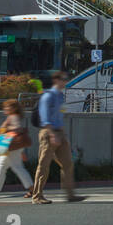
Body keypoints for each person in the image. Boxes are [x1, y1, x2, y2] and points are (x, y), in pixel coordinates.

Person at [30, 70, 85, 204]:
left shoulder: (60, 96)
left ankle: (70, 194)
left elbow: (60, 114)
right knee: (44, 165)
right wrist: (52, 134)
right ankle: (37, 196)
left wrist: (62, 134)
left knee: (67, 163)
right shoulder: (48, 96)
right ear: (56, 80)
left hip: (60, 132)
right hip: (48, 133)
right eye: (63, 79)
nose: (66, 82)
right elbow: (45, 117)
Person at [0, 99, 32, 199]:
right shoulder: (12, 117)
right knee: (2, 167)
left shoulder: (13, 117)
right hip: (8, 146)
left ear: (13, 108)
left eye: (7, 107)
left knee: (14, 168)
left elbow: (17, 129)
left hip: (9, 147)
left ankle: (33, 189)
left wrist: (4, 129)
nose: (5, 108)